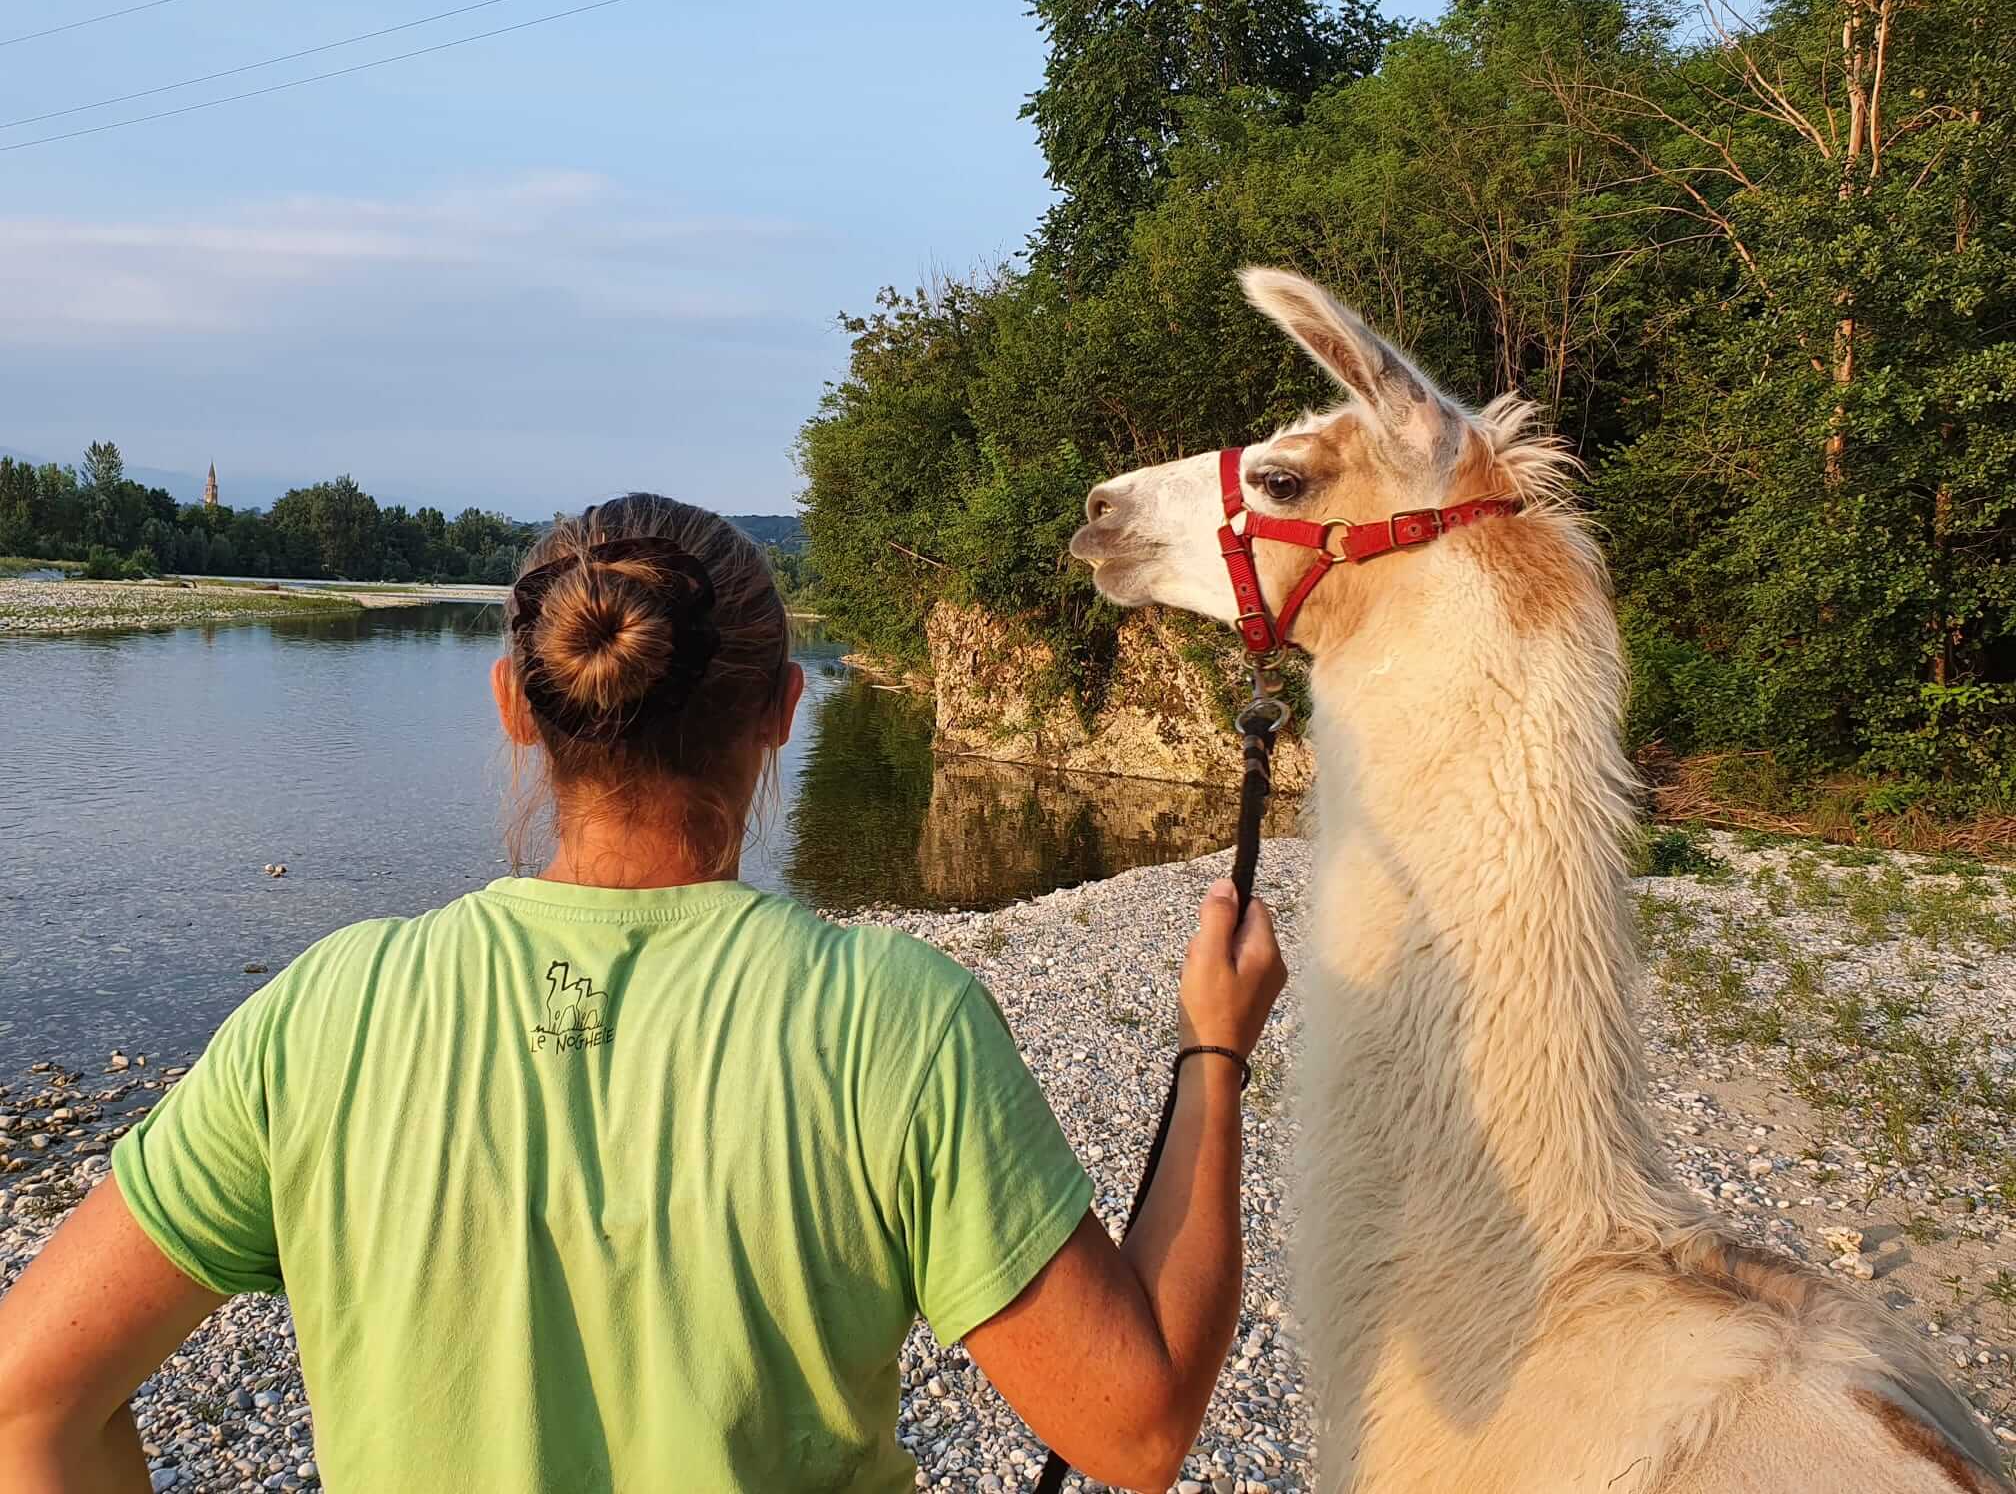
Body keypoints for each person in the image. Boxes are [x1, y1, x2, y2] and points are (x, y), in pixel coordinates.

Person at [0, 495, 1287, 1493]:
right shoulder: (894, 1022)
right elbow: (1136, 1425)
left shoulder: (327, 1010)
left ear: (516, 705)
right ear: (785, 710)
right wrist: (1211, 1052)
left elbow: (31, 1403)